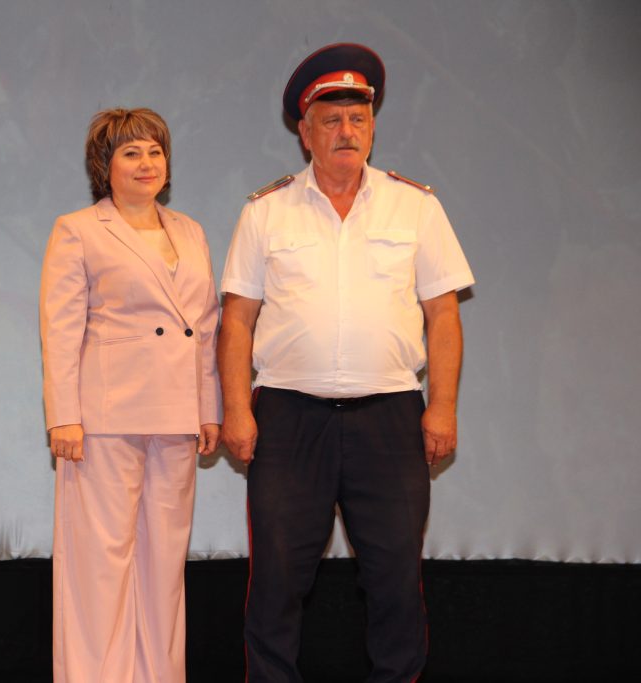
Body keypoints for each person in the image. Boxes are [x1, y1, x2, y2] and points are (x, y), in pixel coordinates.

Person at [218, 44, 475, 682]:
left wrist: (442, 406)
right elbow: (237, 321)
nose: (346, 131)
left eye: (358, 119)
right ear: (304, 133)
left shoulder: (416, 207)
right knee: (277, 580)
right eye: (331, 120)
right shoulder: (265, 211)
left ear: (373, 128)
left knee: (395, 578)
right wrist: (236, 410)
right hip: (287, 417)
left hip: (389, 418)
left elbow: (443, 315)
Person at [40, 107, 222, 683]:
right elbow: (60, 330)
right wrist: (63, 417)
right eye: (131, 152)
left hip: (177, 415)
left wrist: (209, 408)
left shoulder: (190, 230)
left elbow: (206, 326)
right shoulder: (78, 229)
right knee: (99, 564)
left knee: (164, 563)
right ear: (105, 165)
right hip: (104, 418)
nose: (147, 163)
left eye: (155, 151)